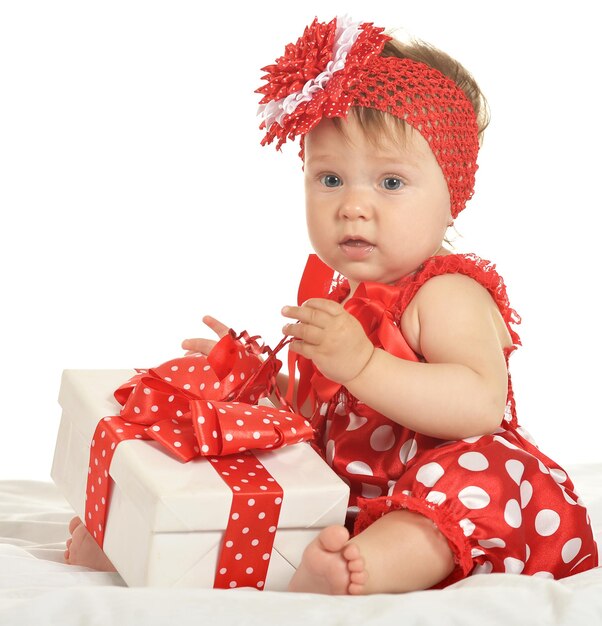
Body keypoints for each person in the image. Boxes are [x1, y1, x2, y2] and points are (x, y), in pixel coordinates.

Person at [65, 15, 599, 595]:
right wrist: (258, 379)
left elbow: (480, 406)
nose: (353, 206)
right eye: (330, 179)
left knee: (469, 482)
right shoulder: (336, 292)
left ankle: (363, 570)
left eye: (390, 183)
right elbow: (322, 412)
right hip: (352, 491)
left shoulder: (445, 293)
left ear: (453, 198)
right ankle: (151, 543)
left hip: (451, 488)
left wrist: (364, 365)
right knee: (275, 472)